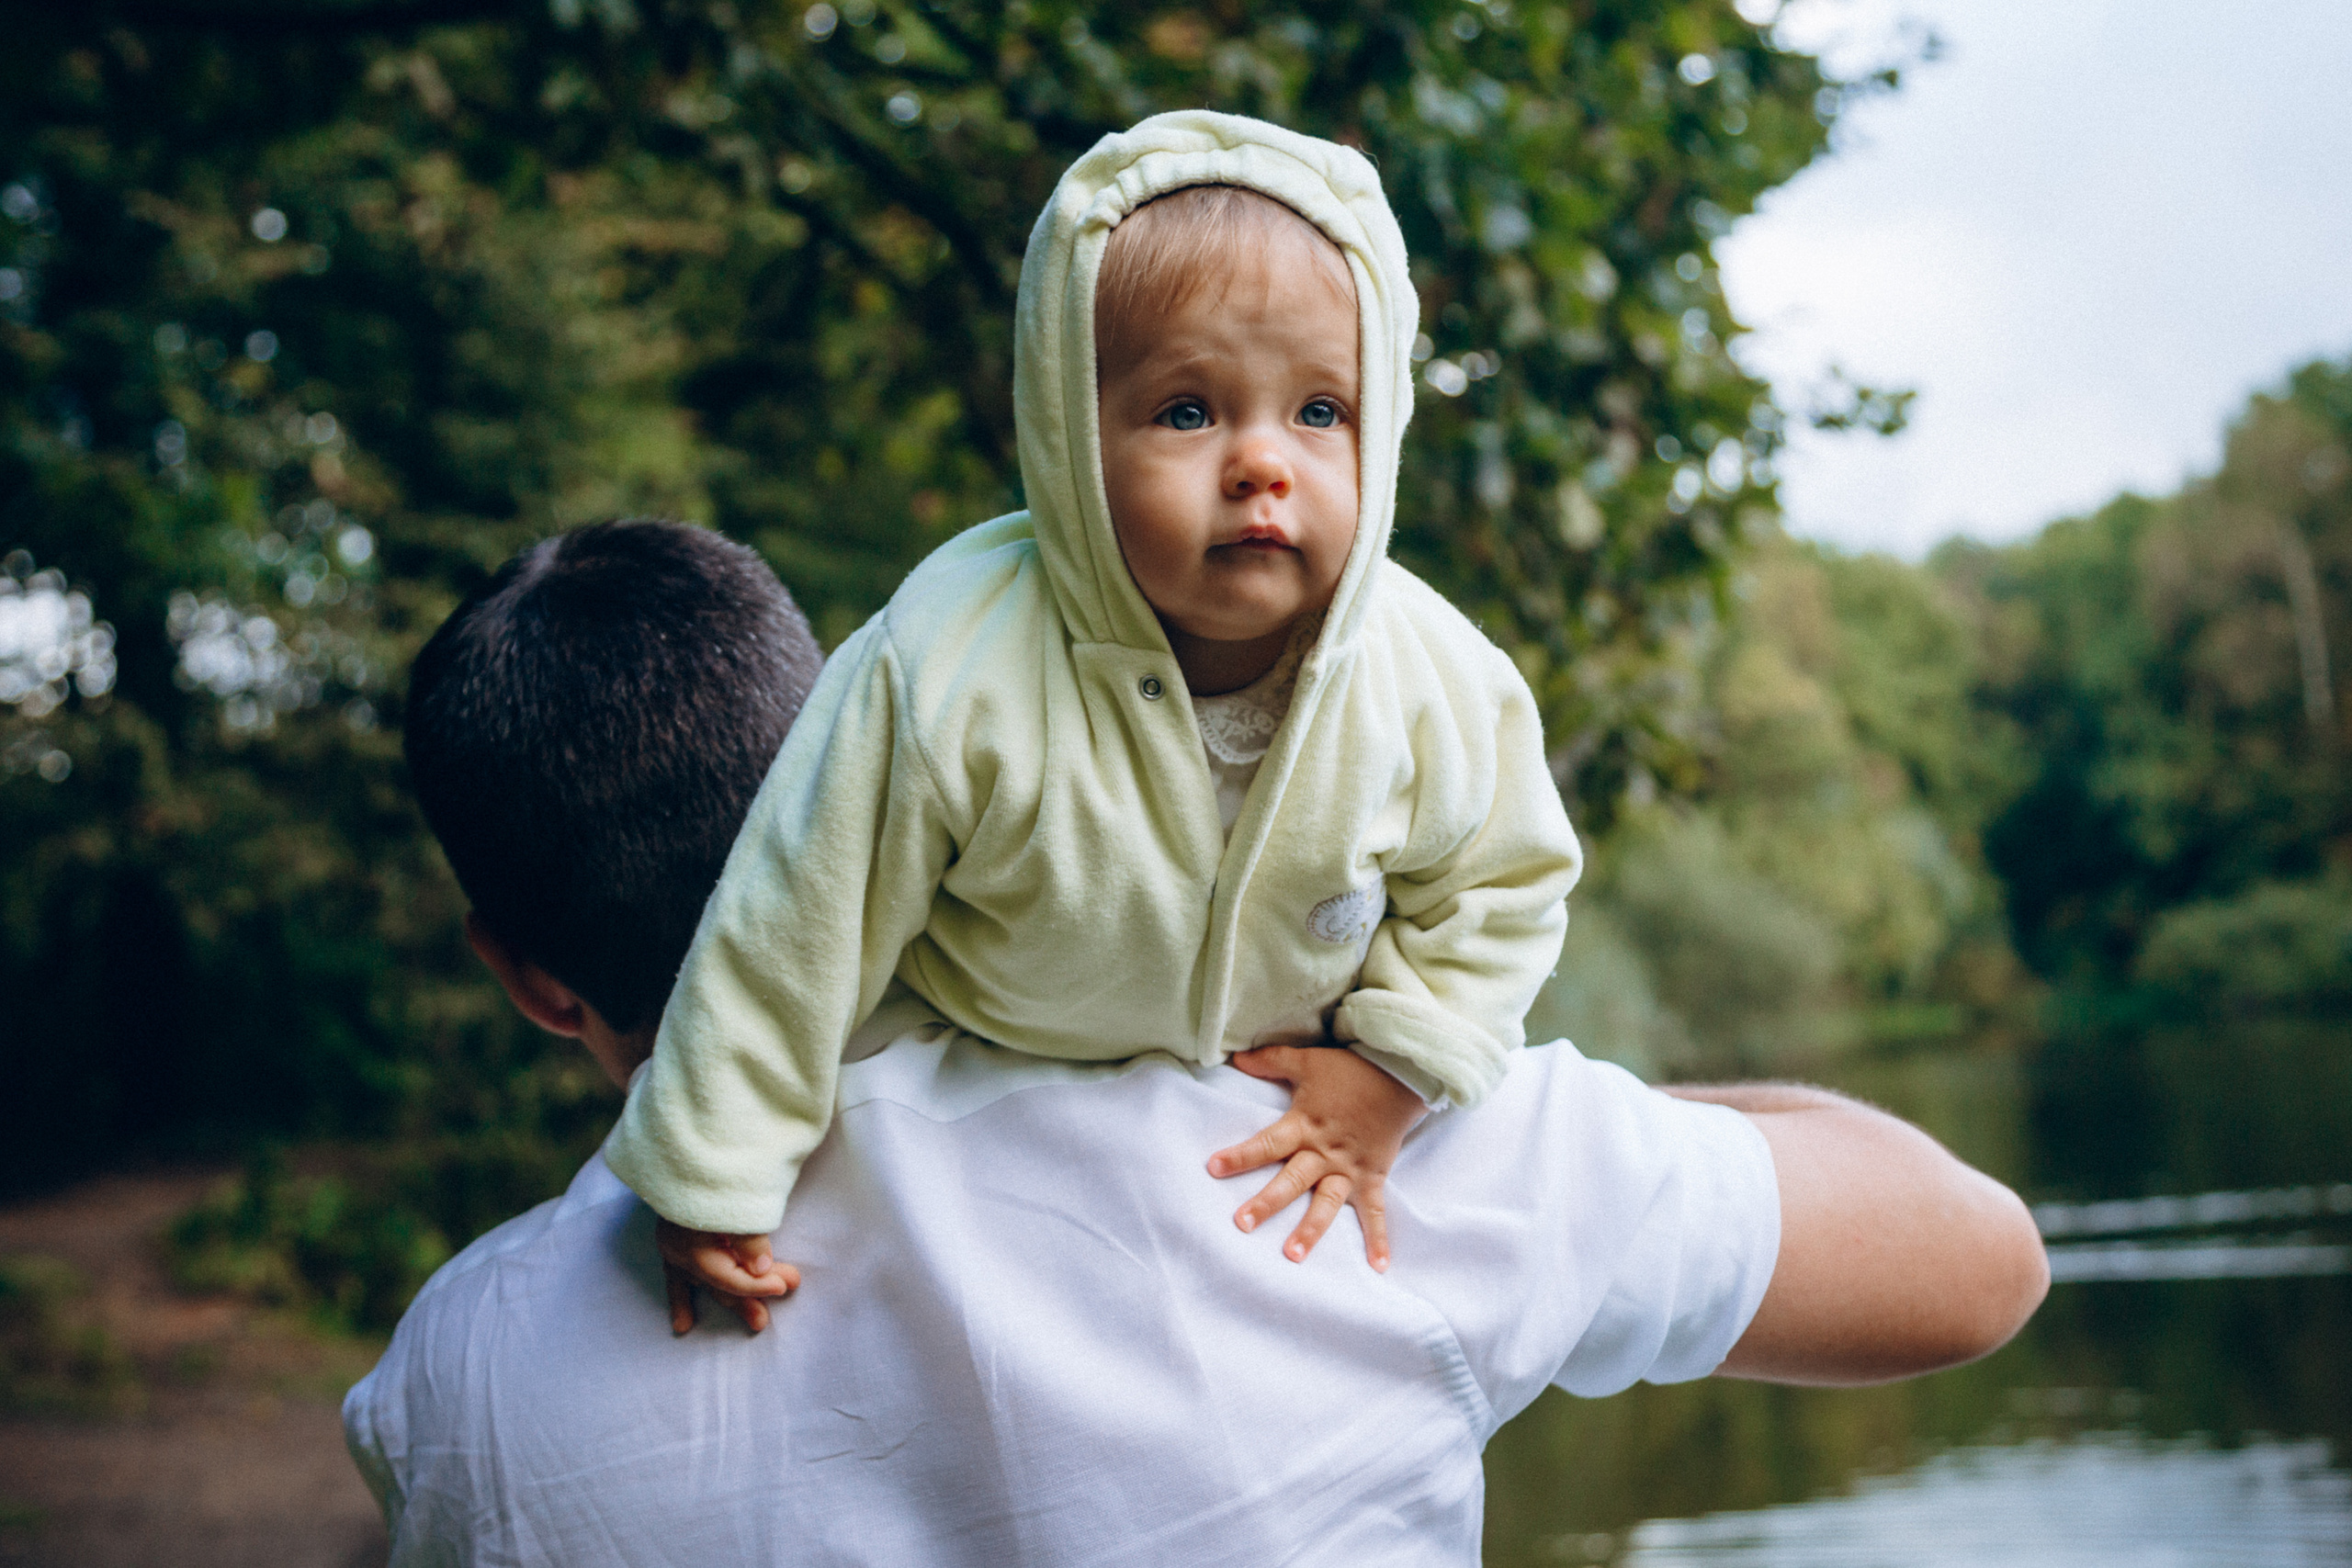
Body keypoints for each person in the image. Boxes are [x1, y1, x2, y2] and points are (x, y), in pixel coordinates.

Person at [348, 516, 2049, 1565]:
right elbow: (1974, 1262)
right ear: (866, 785)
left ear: (530, 975)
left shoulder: (452, 1387)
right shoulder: (1316, 1163)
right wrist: (1504, 1102)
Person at [607, 110, 1584, 1293]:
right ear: (1074, 436)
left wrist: (1395, 1069)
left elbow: (1506, 884)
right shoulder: (951, 657)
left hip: (1276, 1087)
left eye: (1320, 412)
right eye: (1189, 411)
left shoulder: (1431, 677)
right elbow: (798, 916)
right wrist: (715, 1167)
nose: (1263, 462)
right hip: (989, 1074)